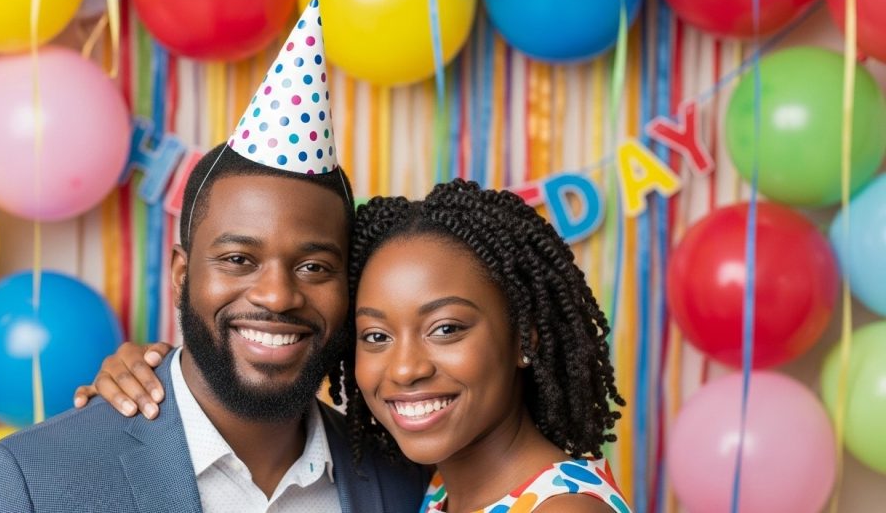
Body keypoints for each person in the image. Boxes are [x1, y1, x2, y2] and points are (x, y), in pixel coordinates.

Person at [0, 0, 428, 513]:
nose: (276, 295)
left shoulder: (407, 482)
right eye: (238, 260)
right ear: (182, 275)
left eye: (313, 267)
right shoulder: (31, 480)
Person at [84, 179, 629, 512]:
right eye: (375, 336)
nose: (407, 368)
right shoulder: (437, 486)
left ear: (524, 338)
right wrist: (169, 372)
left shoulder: (562, 508)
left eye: (446, 328)